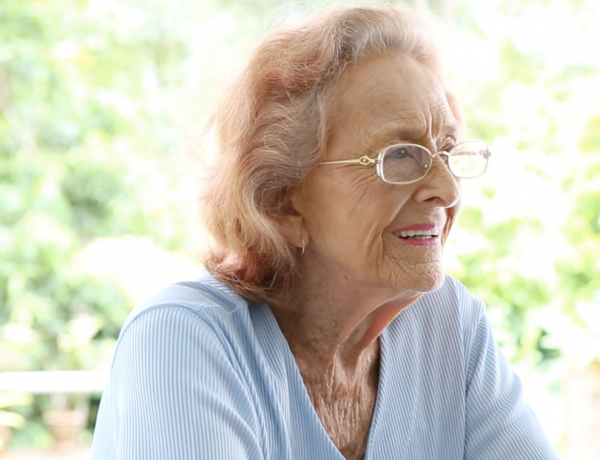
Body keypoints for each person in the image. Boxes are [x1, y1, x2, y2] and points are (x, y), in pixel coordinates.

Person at [90, 6, 559, 460]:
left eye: (447, 151)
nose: (446, 189)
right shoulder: (185, 338)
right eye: (399, 155)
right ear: (283, 198)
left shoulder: (448, 325)